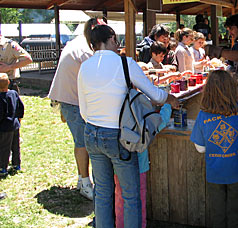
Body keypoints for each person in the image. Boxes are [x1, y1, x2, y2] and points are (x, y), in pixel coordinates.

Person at [78, 22, 178, 228]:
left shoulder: (85, 66)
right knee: (131, 196)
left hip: (92, 133)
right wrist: (170, 98)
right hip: (119, 135)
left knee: (103, 194)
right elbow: (156, 95)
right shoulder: (125, 63)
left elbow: (83, 109)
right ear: (112, 39)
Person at [190, 70, 238, 228]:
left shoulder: (202, 116)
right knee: (236, 214)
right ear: (231, 88)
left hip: (215, 174)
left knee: (217, 215)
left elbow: (200, 148)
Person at [48, 18, 96, 200]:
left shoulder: (79, 43)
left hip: (70, 98)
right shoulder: (86, 50)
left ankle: (81, 178)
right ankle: (85, 182)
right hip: (73, 100)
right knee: (83, 142)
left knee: (82, 141)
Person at [114, 103, 172, 228]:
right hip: (139, 167)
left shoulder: (116, 112)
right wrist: (167, 105)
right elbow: (159, 122)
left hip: (118, 164)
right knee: (138, 201)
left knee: (120, 199)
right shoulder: (138, 111)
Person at [0, 73, 24, 176]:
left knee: (4, 147)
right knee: (15, 146)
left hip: (4, 127)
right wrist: (19, 118)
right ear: (8, 83)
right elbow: (20, 107)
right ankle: (16, 164)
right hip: (15, 124)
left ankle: (3, 167)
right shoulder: (14, 93)